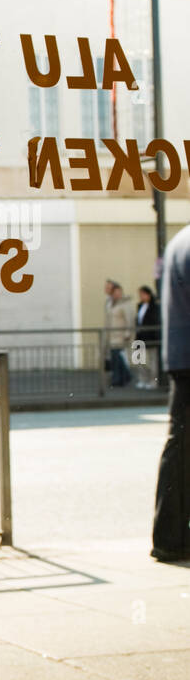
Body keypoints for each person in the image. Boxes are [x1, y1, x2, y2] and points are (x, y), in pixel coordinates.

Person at [154, 229, 190, 561]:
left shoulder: (180, 241)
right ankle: (171, 536)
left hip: (181, 358)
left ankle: (169, 535)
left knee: (180, 446)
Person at [104, 280, 134, 388]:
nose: (117, 294)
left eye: (119, 292)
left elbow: (129, 319)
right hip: (112, 336)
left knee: (118, 357)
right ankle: (124, 377)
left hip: (120, 336)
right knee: (116, 358)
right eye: (115, 292)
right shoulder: (110, 304)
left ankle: (118, 379)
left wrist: (127, 333)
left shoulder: (125, 304)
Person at [134, 285, 161, 389]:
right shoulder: (140, 306)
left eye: (142, 294)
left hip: (150, 336)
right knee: (139, 359)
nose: (140, 296)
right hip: (140, 336)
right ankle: (143, 379)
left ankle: (153, 381)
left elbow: (154, 320)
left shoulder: (154, 306)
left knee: (152, 361)